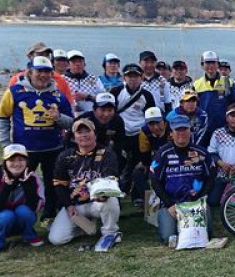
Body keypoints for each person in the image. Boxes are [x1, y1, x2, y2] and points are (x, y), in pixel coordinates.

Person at [0, 55, 74, 221]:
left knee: (53, 184)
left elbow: (72, 124)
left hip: (53, 149)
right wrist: (6, 144)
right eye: (39, 71)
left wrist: (58, 117)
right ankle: (10, 215)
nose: (43, 75)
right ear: (30, 72)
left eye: (47, 71)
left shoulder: (58, 95)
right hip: (23, 151)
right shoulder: (14, 92)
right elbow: (2, 117)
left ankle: (49, 215)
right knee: (16, 183)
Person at [48, 118, 121, 246]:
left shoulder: (107, 154)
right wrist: (68, 205)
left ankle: (110, 233)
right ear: (74, 137)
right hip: (75, 206)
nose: (84, 135)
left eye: (87, 131)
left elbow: (111, 177)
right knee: (56, 239)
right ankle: (85, 228)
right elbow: (59, 184)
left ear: (95, 134)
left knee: (111, 200)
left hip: (97, 203)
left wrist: (104, 194)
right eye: (79, 132)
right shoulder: (65, 157)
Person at [150, 115, 214, 243]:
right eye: (177, 130)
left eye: (185, 129)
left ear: (190, 131)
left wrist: (201, 199)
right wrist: (169, 205)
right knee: (169, 238)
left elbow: (211, 177)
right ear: (171, 133)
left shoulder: (201, 153)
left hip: (195, 204)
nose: (181, 133)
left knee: (207, 234)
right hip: (171, 205)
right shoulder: (163, 154)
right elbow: (155, 181)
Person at [0, 144, 45, 255]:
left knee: (24, 211)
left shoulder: (34, 178)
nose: (16, 164)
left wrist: (26, 185)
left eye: (21, 159)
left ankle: (29, 234)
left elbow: (36, 208)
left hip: (20, 220)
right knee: (7, 215)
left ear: (27, 161)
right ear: (4, 162)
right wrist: (7, 187)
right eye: (12, 160)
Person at [111, 63, 156, 193]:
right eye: (129, 76)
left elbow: (150, 117)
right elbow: (110, 113)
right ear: (124, 78)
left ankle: (137, 193)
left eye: (135, 76)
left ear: (141, 78)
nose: (132, 79)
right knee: (119, 162)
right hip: (121, 133)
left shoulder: (147, 95)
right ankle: (119, 189)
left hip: (139, 134)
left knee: (139, 163)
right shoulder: (116, 92)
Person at [64, 93, 127, 175]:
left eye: (110, 110)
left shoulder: (117, 121)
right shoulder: (83, 121)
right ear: (94, 109)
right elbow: (69, 143)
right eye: (103, 110)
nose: (106, 114)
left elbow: (119, 144)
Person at [193, 51, 235, 143]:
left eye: (213, 62)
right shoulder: (196, 84)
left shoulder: (228, 82)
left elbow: (233, 104)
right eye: (207, 62)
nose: (211, 65)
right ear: (202, 65)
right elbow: (194, 107)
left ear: (218, 65)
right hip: (203, 128)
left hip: (223, 128)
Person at [8, 41, 73, 104]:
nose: (43, 57)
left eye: (47, 55)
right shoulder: (17, 79)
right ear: (29, 56)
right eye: (40, 54)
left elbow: (69, 106)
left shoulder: (59, 79)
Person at [134, 107, 169, 205]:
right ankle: (149, 202)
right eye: (151, 124)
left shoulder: (172, 128)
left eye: (158, 122)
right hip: (154, 160)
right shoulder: (144, 132)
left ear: (163, 120)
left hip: (172, 161)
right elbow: (144, 154)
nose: (156, 127)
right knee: (138, 172)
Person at [63, 50, 106, 117]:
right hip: (68, 117)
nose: (78, 64)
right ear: (68, 65)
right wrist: (70, 99)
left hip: (90, 117)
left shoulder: (94, 79)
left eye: (80, 61)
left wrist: (88, 97)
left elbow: (104, 99)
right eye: (74, 62)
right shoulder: (61, 79)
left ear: (84, 64)